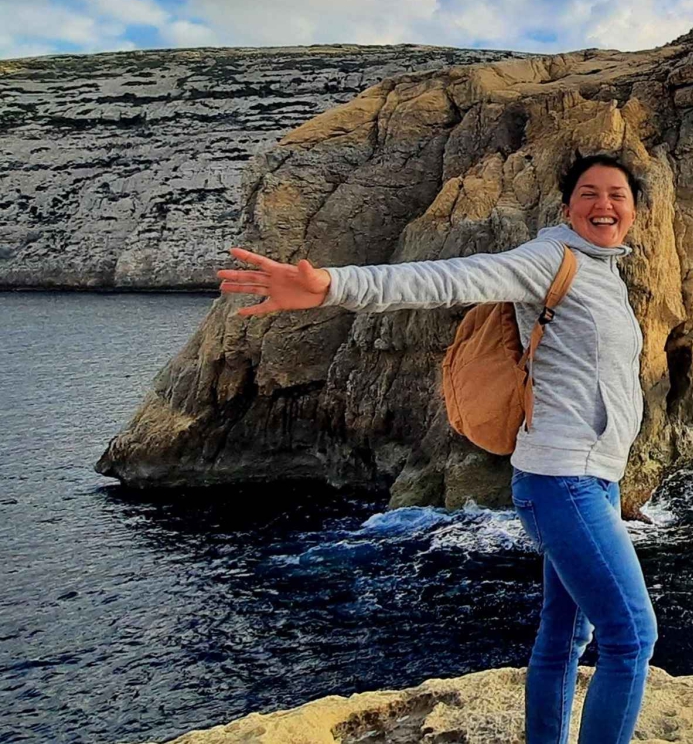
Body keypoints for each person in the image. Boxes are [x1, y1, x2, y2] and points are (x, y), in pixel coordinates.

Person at [217, 153, 658, 744]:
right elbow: (450, 277)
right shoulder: (551, 258)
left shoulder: (607, 273)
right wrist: (331, 286)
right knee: (632, 635)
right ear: (566, 207)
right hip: (563, 480)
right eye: (589, 193)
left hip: (596, 479)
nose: (603, 204)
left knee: (565, 636)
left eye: (617, 194)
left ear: (633, 210)